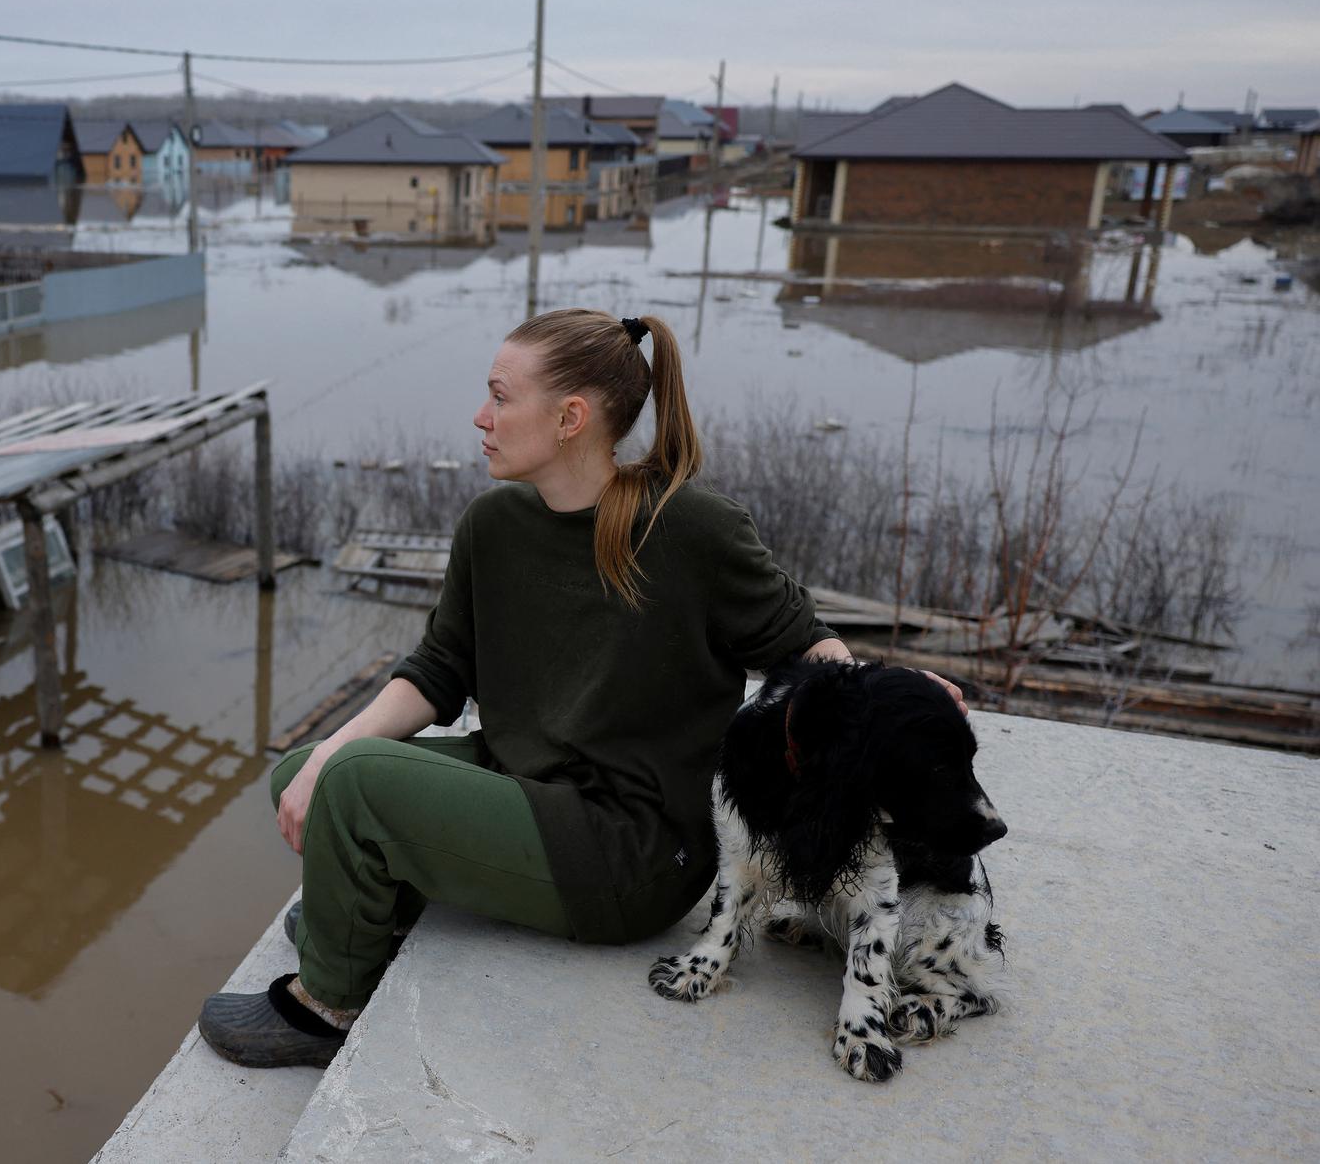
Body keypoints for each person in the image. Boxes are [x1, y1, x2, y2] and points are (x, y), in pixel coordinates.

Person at [196, 308, 965, 1067]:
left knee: (355, 785)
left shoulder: (690, 528)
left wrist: (893, 695)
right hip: (524, 788)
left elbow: (808, 648)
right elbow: (437, 670)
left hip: (629, 853)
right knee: (308, 771)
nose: (479, 416)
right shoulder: (491, 524)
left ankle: (326, 1002)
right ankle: (366, 909)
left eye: (499, 396)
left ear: (569, 416)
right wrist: (331, 748)